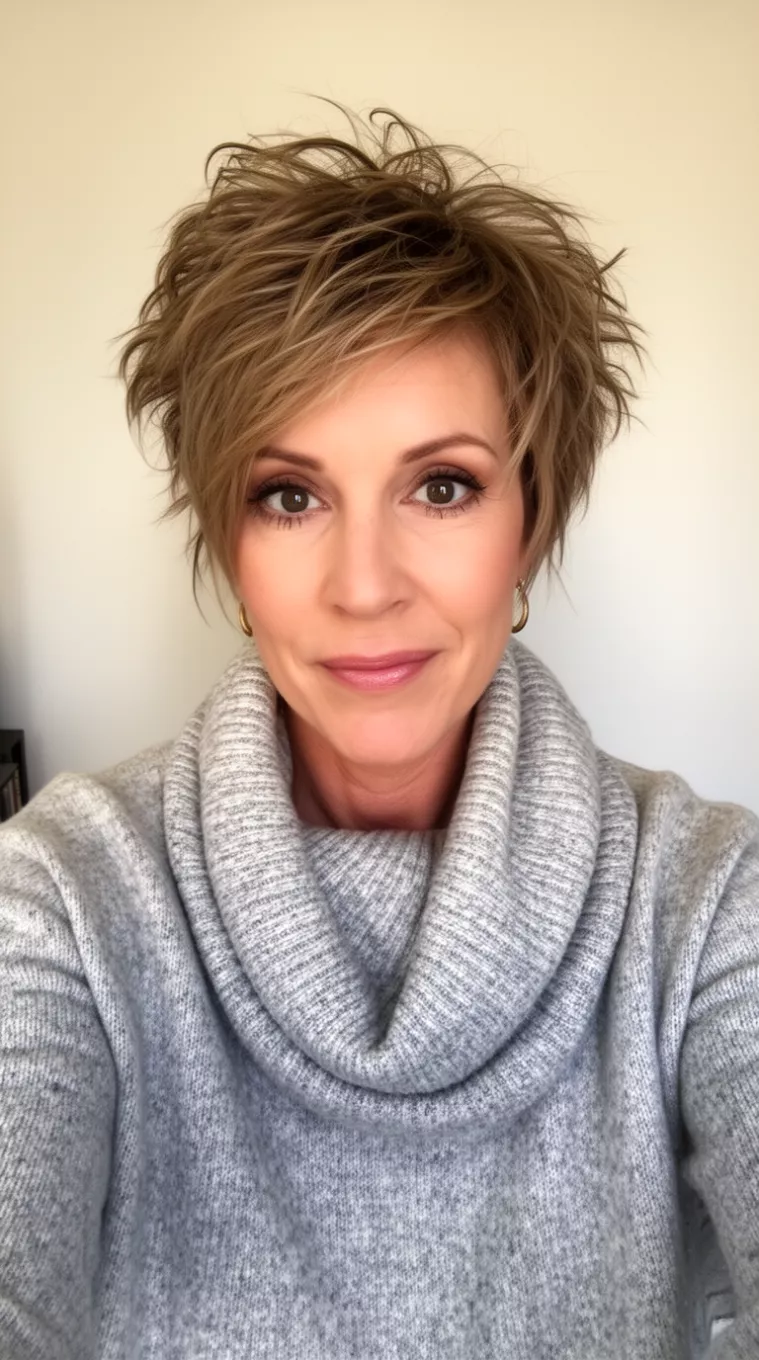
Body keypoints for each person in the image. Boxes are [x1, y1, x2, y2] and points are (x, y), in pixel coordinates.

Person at [0, 105, 757, 1360]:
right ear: (230, 551)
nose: (364, 584)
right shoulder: (65, 897)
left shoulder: (703, 898)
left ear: (532, 524)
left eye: (442, 485)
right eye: (289, 495)